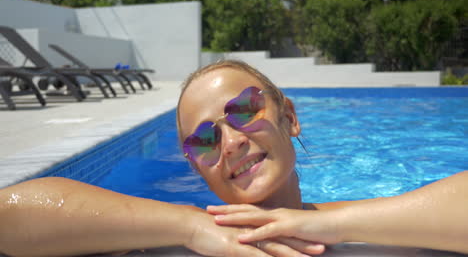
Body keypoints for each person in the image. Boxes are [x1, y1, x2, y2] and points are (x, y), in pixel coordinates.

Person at [1, 60, 467, 257]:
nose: (229, 143)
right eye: (203, 140)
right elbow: (9, 215)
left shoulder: (363, 228)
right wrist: (188, 225)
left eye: (243, 109)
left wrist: (331, 221)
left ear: (289, 115)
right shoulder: (162, 239)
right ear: (194, 163)